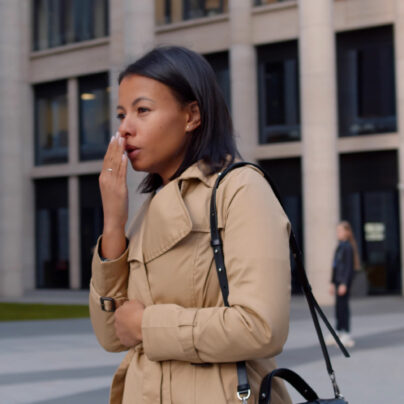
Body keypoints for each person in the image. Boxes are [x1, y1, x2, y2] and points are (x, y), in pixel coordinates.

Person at [89, 46, 292, 404]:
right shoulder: (145, 210)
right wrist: (113, 221)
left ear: (192, 115)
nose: (125, 128)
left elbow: (262, 328)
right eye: (121, 114)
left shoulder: (239, 189)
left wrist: (147, 326)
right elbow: (112, 335)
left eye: (142, 110)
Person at [326, 221, 361, 348]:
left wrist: (344, 283)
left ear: (347, 232)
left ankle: (346, 333)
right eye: (337, 231)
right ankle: (338, 331)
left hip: (343, 282)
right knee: (338, 307)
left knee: (343, 307)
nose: (338, 233)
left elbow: (348, 268)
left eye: (340, 231)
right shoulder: (339, 246)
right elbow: (334, 266)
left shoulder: (348, 248)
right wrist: (331, 282)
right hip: (337, 281)